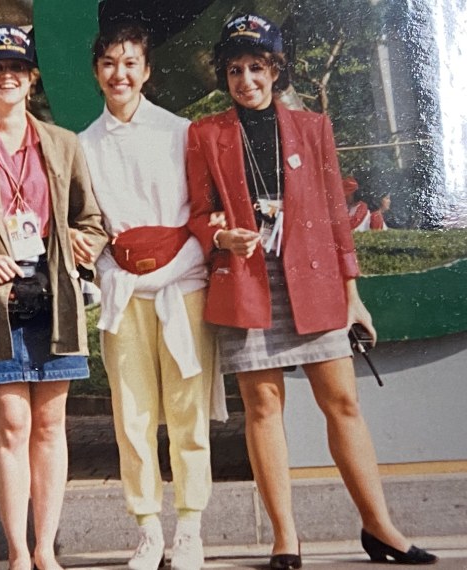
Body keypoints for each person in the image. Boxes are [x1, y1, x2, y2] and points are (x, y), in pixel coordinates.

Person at [186, 13, 437, 569]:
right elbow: (197, 214)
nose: (245, 79)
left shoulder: (313, 127)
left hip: (317, 281)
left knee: (343, 403)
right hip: (247, 283)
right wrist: (220, 234)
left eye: (256, 66)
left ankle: (381, 528)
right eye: (234, 69)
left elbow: (334, 216)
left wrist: (353, 295)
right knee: (263, 408)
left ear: (276, 70)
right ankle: (285, 539)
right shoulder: (205, 134)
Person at [0, 24, 108, 570]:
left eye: (17, 68)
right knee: (11, 425)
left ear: (32, 79)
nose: (6, 76)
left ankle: (44, 550)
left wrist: (83, 243)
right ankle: (14, 552)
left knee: (52, 425)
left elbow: (93, 220)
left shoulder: (63, 143)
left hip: (53, 291)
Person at [78, 22, 227, 570]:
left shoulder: (180, 131)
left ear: (147, 71)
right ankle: (147, 529)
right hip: (124, 290)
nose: (120, 74)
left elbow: (201, 209)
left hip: (183, 283)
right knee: (132, 415)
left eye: (130, 63)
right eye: (110, 63)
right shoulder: (83, 144)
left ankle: (190, 527)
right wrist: (110, 270)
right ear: (97, 72)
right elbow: (88, 221)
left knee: (187, 410)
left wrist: (177, 265)